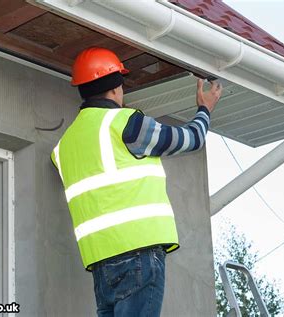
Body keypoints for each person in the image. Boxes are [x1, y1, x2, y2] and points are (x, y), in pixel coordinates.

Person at [51, 47, 222, 317]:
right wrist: (205, 109)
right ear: (116, 88)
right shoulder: (126, 124)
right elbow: (191, 139)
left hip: (100, 262)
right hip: (139, 255)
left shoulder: (63, 147)